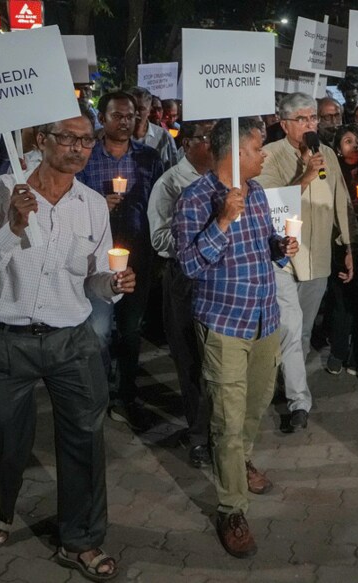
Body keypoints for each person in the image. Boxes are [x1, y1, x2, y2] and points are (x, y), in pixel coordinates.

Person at [0, 109, 135, 580]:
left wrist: (113, 284)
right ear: (41, 140)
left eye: (87, 141)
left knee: (85, 439)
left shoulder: (92, 204)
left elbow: (93, 278)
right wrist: (12, 228)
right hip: (5, 339)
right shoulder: (1, 192)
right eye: (68, 138)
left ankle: (80, 539)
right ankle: (2, 501)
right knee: (0, 438)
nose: (80, 149)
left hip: (70, 340)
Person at [173, 117, 299, 558]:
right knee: (226, 420)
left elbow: (264, 245)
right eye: (258, 147)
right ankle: (231, 508)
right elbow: (189, 266)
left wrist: (280, 248)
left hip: (265, 319)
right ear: (236, 153)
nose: (264, 154)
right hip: (224, 324)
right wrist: (223, 220)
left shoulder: (259, 192)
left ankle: (241, 460)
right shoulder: (195, 198)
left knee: (256, 402)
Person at [256, 92, 354, 432]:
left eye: (313, 118)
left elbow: (340, 200)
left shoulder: (327, 153)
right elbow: (267, 204)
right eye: (302, 119)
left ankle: (285, 382)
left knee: (303, 330)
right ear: (284, 124)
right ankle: (297, 400)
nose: (310, 124)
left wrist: (348, 245)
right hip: (282, 257)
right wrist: (305, 177)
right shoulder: (269, 155)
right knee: (288, 326)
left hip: (318, 256)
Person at [77, 90, 165, 431]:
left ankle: (125, 395)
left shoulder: (148, 158)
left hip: (137, 255)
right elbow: (72, 200)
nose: (125, 121)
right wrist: (99, 204)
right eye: (117, 116)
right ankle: (98, 393)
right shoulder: (86, 157)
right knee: (99, 331)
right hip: (96, 256)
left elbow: (159, 205)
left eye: (130, 115)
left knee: (130, 330)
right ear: (102, 118)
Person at [147, 120, 216, 467]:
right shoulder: (170, 184)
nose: (214, 143)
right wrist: (204, 239)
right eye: (206, 138)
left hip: (220, 278)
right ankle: (199, 437)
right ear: (187, 143)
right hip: (185, 279)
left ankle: (224, 432)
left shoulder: (226, 179)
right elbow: (159, 238)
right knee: (191, 361)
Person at [323, 124, 358, 379]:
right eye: (348, 141)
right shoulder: (330, 174)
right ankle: (338, 352)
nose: (355, 146)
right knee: (342, 302)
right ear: (337, 148)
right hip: (340, 244)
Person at [128, 86, 179, 169]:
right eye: (132, 108)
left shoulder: (163, 137)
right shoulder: (117, 135)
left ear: (149, 111)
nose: (136, 113)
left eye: (141, 109)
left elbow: (173, 170)